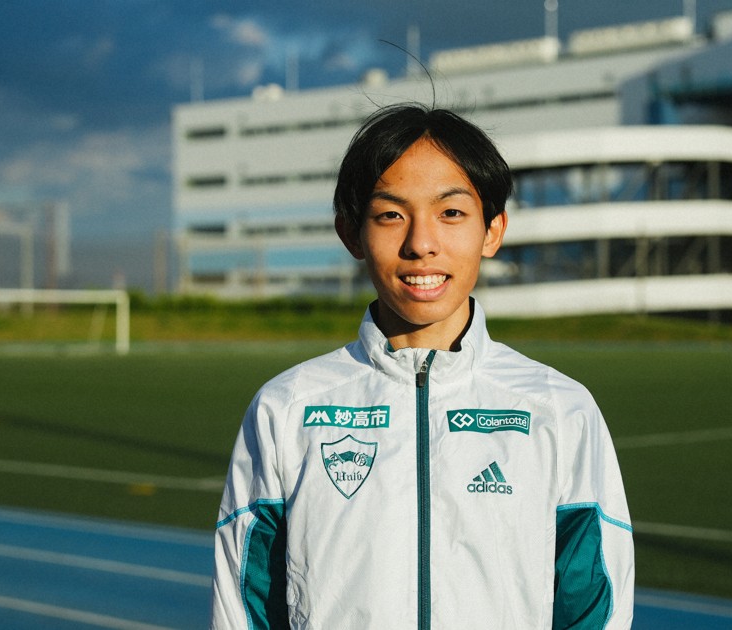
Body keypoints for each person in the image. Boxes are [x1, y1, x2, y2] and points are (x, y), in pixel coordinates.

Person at [211, 103, 634, 629]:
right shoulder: (289, 408)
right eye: (391, 214)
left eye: (451, 213)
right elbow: (245, 604)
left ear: (493, 230)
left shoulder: (558, 409)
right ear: (351, 233)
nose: (421, 243)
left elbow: (592, 604)